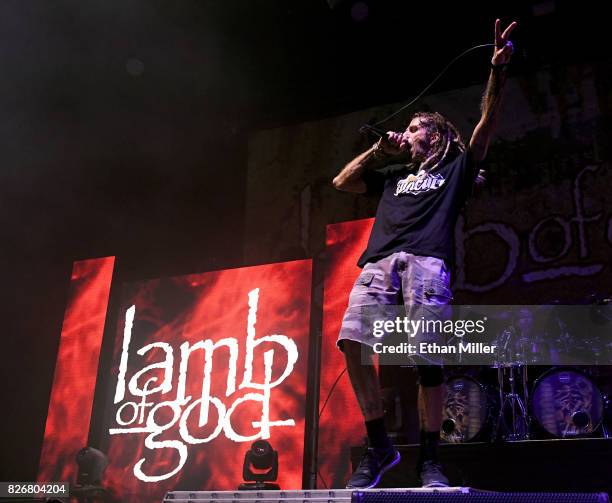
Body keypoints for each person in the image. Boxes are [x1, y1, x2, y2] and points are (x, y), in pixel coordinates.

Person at [331, 19, 517, 489]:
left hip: (426, 262)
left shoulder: (456, 168)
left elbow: (486, 123)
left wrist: (496, 71)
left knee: (426, 357)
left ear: (434, 136)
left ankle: (430, 460)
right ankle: (380, 447)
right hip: (378, 263)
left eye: (415, 128)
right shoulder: (394, 175)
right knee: (352, 342)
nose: (407, 132)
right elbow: (342, 183)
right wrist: (377, 151)